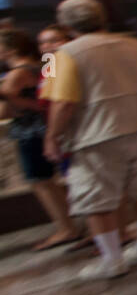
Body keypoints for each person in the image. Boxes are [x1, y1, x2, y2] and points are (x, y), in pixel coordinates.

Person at [41, 0, 137, 279]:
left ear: (66, 25)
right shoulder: (134, 45)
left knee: (97, 200)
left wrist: (52, 137)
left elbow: (62, 102)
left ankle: (112, 260)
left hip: (97, 134)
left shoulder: (63, 54)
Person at [0, 28, 78, 249]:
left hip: (32, 130)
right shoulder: (41, 65)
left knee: (41, 182)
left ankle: (67, 228)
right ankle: (71, 226)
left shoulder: (18, 73)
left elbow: (9, 108)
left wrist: (17, 103)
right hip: (42, 127)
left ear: (11, 48)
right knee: (48, 181)